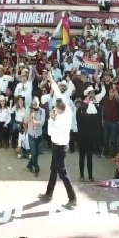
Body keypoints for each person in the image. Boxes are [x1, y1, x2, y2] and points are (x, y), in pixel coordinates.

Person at [38, 78, 77, 209]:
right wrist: (52, 81)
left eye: (56, 109)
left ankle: (72, 198)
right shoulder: (67, 109)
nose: (54, 109)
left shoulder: (59, 121)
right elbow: (58, 93)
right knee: (53, 169)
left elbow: (50, 132)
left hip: (60, 146)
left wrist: (51, 118)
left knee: (62, 173)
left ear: (60, 110)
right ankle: (49, 194)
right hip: (59, 145)